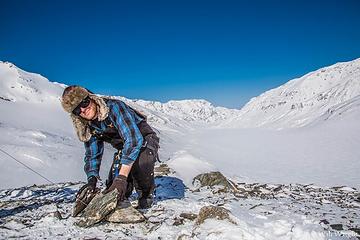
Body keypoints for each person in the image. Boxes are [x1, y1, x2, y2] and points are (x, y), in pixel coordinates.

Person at [61, 85, 160, 209]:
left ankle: (146, 195)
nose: (83, 110)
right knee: (113, 190)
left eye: (84, 103)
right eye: (77, 110)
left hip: (144, 139)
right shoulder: (89, 126)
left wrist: (122, 177)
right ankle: (123, 195)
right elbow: (93, 154)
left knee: (141, 162)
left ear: (91, 98)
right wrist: (92, 180)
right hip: (124, 147)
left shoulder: (114, 108)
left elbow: (133, 140)